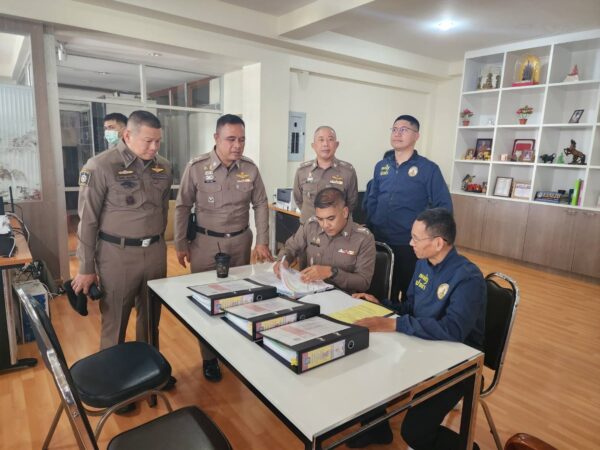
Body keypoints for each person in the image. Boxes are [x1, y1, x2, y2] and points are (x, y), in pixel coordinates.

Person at [348, 208, 486, 449]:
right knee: (365, 365)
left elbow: (453, 330)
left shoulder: (468, 278)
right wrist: (382, 305)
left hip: (459, 364)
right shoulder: (423, 263)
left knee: (414, 432)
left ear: (438, 243)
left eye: (416, 238)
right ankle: (377, 428)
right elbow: (411, 307)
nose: (410, 243)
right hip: (422, 347)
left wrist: (395, 324)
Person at [72, 110, 176, 404]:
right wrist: (86, 267)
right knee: (115, 321)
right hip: (117, 255)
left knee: (151, 319)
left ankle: (149, 376)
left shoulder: (164, 167)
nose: (154, 148)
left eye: (158, 141)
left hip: (154, 252)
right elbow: (87, 221)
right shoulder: (100, 166)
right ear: (127, 135)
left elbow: (162, 210)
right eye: (148, 141)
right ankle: (114, 387)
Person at [175, 114, 274, 382]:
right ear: (216, 138)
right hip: (205, 244)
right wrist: (180, 242)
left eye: (242, 139)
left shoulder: (250, 169)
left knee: (240, 298)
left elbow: (261, 203)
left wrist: (262, 240)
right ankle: (209, 358)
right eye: (231, 139)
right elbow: (182, 206)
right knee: (207, 302)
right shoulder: (197, 167)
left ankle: (234, 350)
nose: (237, 145)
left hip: (240, 243)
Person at [366, 115, 452, 303]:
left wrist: (430, 239)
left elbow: (444, 207)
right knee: (379, 292)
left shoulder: (429, 169)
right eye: (394, 129)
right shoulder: (381, 166)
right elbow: (372, 200)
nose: (397, 134)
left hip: (410, 246)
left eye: (404, 130)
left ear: (416, 136)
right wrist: (372, 226)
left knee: (410, 297)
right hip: (380, 242)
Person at [274, 187, 375, 294]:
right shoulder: (311, 226)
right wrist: (283, 261)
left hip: (342, 297)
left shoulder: (363, 238)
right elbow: (290, 247)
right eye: (320, 219)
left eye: (331, 219)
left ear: (345, 212)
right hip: (308, 292)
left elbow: (364, 282)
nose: (325, 225)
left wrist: (332, 272)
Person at [293, 126, 358, 224]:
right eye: (321, 140)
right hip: (309, 229)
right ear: (313, 145)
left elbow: (351, 203)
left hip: (337, 231)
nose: (325, 144)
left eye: (330, 140)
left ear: (336, 145)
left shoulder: (348, 172)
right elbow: (298, 199)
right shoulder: (302, 171)